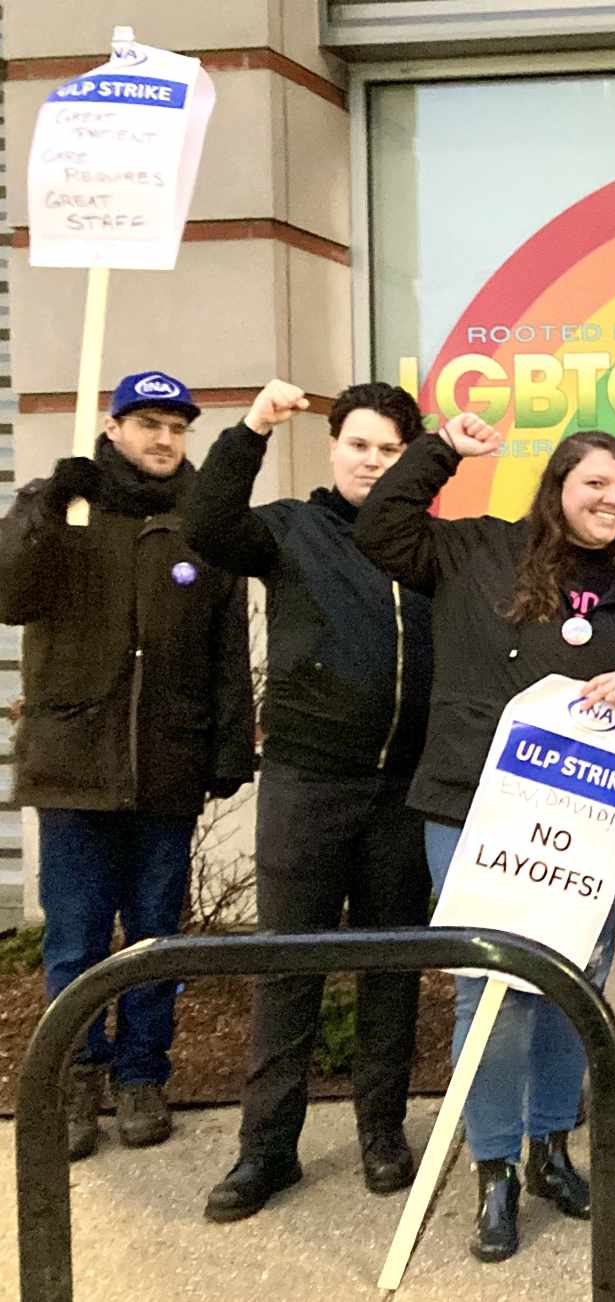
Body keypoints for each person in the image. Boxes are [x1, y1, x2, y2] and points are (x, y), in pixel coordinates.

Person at [357, 419, 615, 1262]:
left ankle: (552, 1145)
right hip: (475, 807)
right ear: (557, 487)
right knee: (491, 987)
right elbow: (379, 527)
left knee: (571, 984)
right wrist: (441, 448)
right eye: (597, 484)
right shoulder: (478, 551)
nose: (614, 501)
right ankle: (494, 1168)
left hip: (597, 820)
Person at [184, 379, 435, 1221]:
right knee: (288, 966)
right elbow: (209, 524)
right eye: (361, 444)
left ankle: (381, 1129)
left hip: (402, 790)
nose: (373, 461)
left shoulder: (426, 548)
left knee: (391, 969)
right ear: (335, 447)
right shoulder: (292, 528)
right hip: (307, 782)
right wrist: (250, 428)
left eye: (392, 451)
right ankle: (266, 1150)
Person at [0, 370, 254, 1161]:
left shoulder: (199, 526)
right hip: (75, 763)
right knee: (74, 939)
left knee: (154, 934)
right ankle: (77, 1075)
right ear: (112, 429)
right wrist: (41, 507)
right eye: (146, 424)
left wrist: (227, 747)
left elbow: (226, 649)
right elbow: (9, 593)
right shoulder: (69, 512)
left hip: (164, 766)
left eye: (176, 427)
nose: (162, 439)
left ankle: (143, 1074)